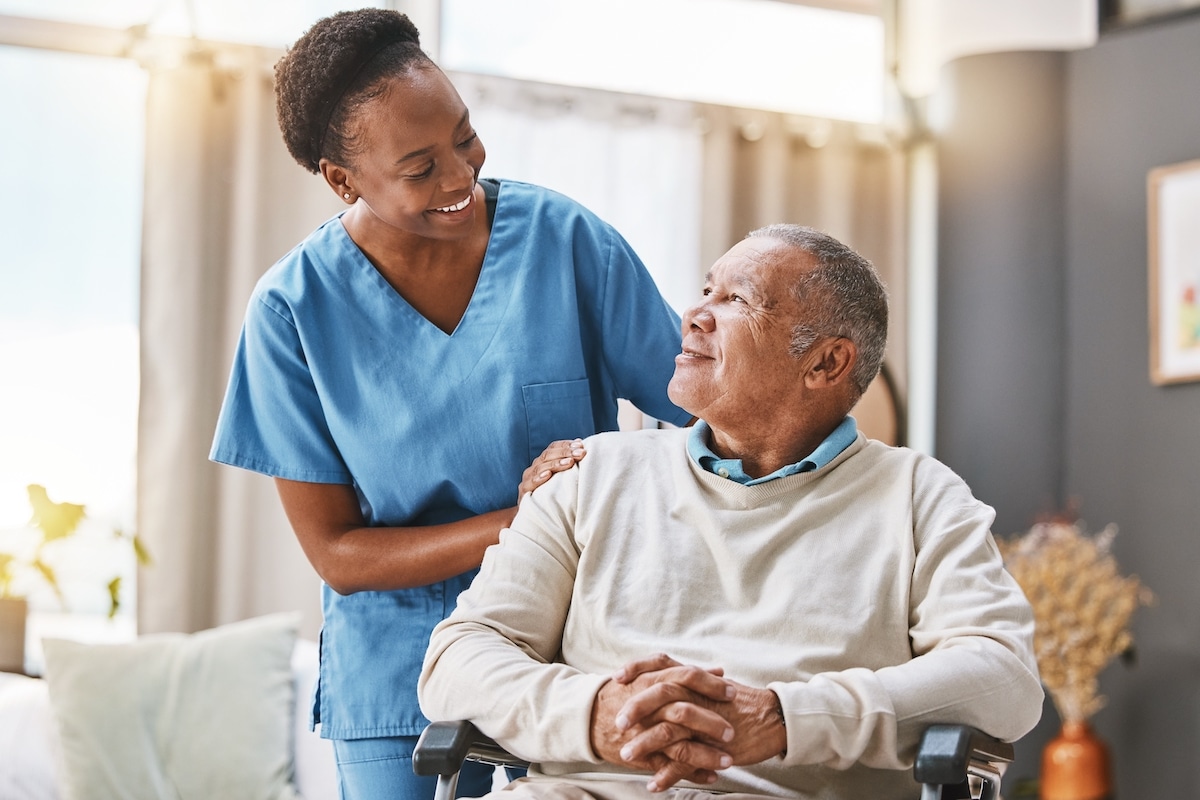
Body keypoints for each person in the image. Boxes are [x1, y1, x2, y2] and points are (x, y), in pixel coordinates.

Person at [209, 8, 692, 799]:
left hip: (575, 661)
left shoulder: (564, 241)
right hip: (398, 675)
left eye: (464, 137)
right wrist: (529, 519)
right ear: (343, 180)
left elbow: (706, 409)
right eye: (421, 167)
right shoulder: (292, 312)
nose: (461, 176)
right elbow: (338, 554)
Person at [418, 224, 1044, 799]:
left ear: (826, 362)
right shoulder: (590, 474)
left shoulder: (917, 495)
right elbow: (459, 655)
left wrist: (785, 718)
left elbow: (1003, 676)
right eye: (705, 292)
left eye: (735, 301)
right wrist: (596, 712)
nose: (693, 316)